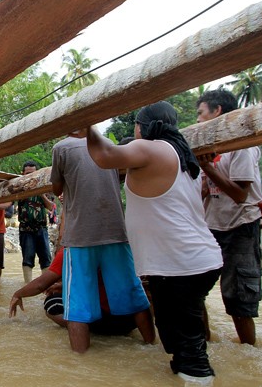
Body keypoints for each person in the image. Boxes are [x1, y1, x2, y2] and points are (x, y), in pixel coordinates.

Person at [85, 101, 223, 382]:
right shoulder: (184, 157)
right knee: (177, 338)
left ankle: (196, 377)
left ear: (142, 126)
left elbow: (103, 154)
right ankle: (185, 372)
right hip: (189, 261)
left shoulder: (152, 147)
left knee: (190, 350)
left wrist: (85, 120)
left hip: (180, 265)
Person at [51, 129, 154, 353]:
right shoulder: (108, 143)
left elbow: (56, 188)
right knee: (135, 295)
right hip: (115, 232)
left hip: (80, 236)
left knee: (76, 305)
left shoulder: (61, 148)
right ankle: (151, 347)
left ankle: (80, 361)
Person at [195, 90, 262, 345]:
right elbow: (204, 192)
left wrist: (208, 168)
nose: (199, 120)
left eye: (201, 113)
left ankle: (249, 353)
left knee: (239, 298)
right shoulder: (212, 148)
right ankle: (204, 344)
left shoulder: (241, 145)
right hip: (211, 226)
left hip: (241, 226)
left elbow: (239, 195)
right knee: (194, 290)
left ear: (218, 111)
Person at [10, 248, 143, 338]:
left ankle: (81, 330)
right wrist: (63, 285)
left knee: (51, 302)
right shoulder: (122, 245)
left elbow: (40, 285)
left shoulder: (70, 250)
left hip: (99, 322)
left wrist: (18, 294)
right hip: (130, 321)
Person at [17, 161, 54, 283]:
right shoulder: (18, 188)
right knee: (27, 259)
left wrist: (41, 195)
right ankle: (27, 284)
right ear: (23, 174)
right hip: (25, 229)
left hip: (41, 228)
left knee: (46, 259)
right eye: (27, 173)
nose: (30, 176)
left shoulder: (45, 187)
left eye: (33, 173)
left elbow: (51, 207)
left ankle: (46, 286)